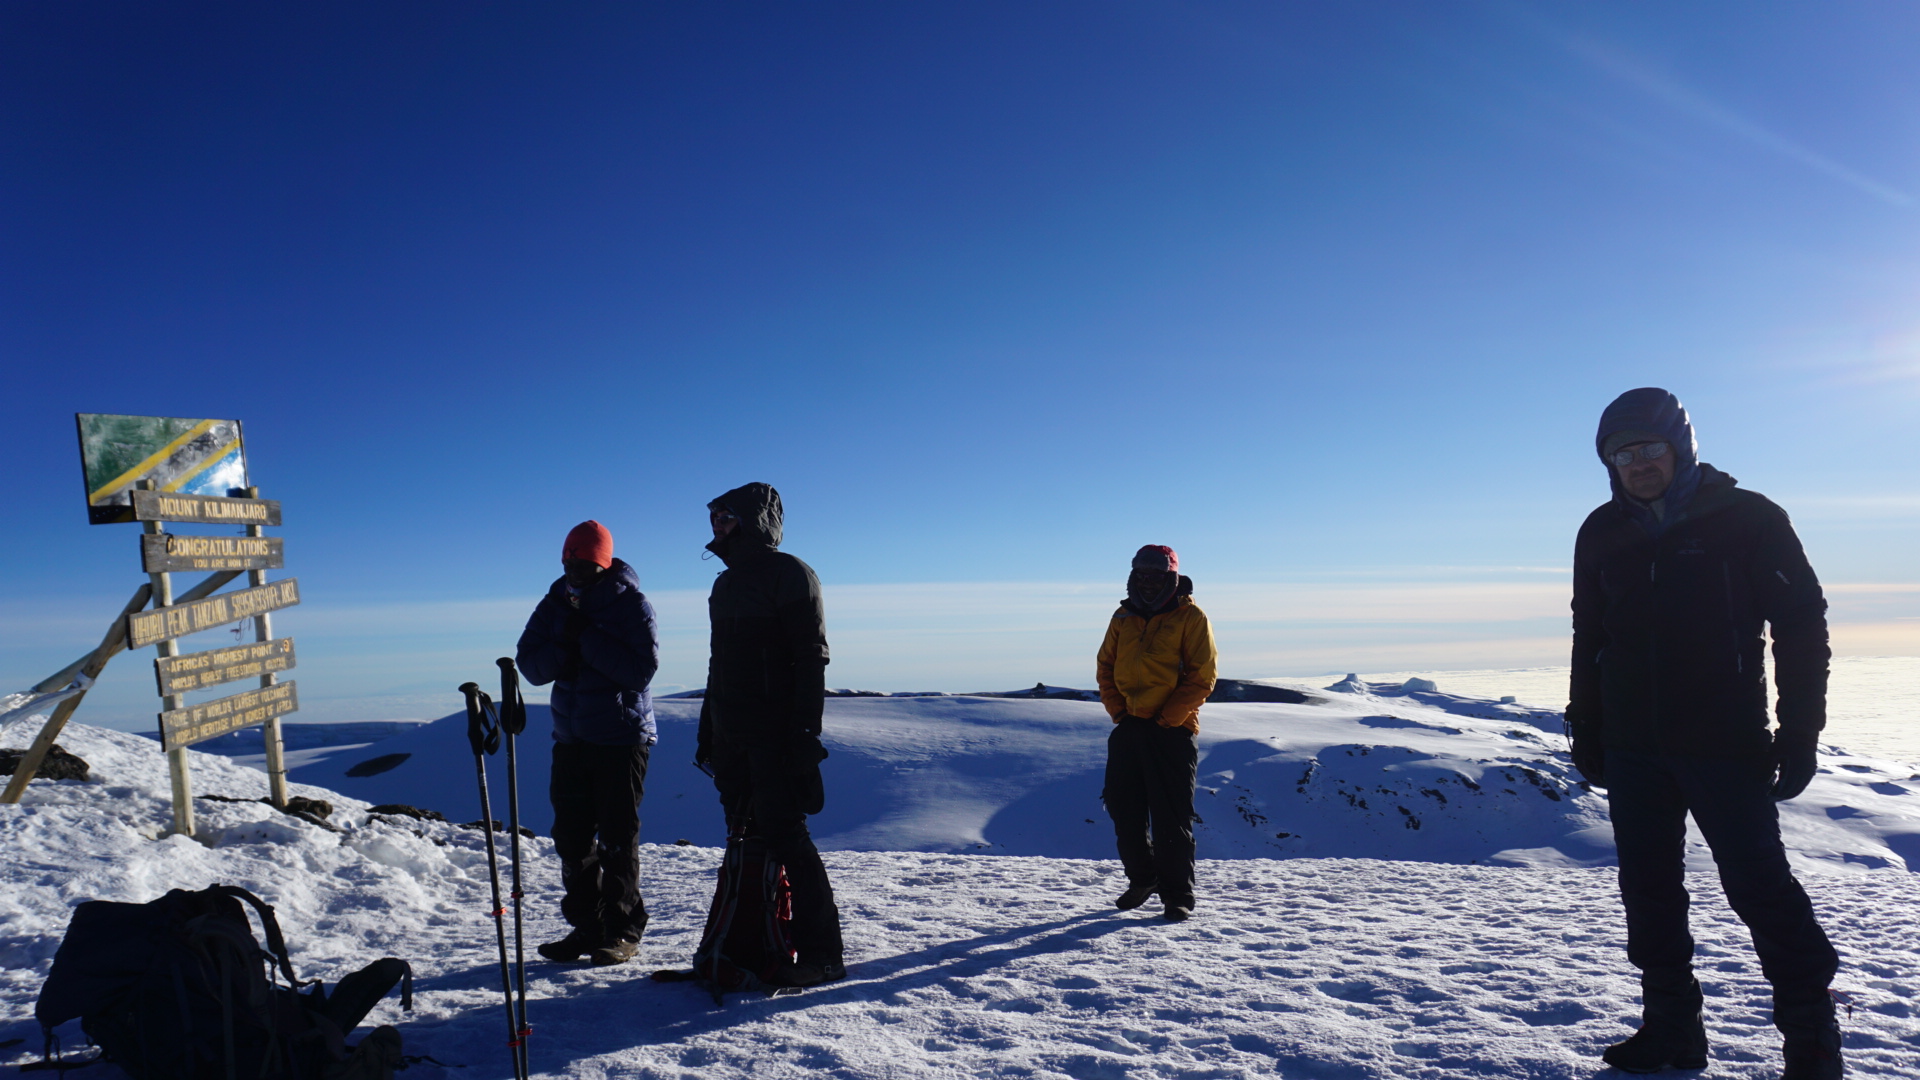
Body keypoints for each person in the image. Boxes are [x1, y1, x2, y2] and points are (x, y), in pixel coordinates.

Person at [1569, 389, 1841, 1079]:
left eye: (1649, 448)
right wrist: (1587, 725)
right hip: (1634, 747)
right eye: (1621, 454)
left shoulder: (1748, 519)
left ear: (1681, 446)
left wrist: (1801, 728)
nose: (1636, 464)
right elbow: (1589, 635)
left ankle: (1812, 1043)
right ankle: (1672, 1032)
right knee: (1649, 891)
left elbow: (1801, 627)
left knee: (1761, 889)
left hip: (1725, 741)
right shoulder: (1600, 531)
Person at [697, 482, 845, 985]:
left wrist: (805, 732)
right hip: (732, 733)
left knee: (787, 838)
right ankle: (753, 944)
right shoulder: (725, 583)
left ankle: (823, 956)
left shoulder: (791, 574)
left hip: (775, 731)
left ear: (753, 519)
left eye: (726, 516)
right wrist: (708, 728)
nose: (717, 526)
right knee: (745, 837)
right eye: (714, 517)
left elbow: (811, 658)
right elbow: (719, 665)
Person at [515, 520, 660, 967]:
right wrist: (567, 646)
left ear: (601, 562)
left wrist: (586, 639)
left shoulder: (631, 604)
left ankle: (622, 931)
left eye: (580, 561)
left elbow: (640, 671)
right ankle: (587, 926)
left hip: (620, 738)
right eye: (567, 560)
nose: (572, 569)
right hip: (572, 738)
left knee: (617, 838)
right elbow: (530, 664)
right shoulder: (555, 601)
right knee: (572, 839)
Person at [1096, 544, 1217, 922]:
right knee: (1122, 807)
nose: (1147, 581)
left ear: (1171, 577)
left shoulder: (1190, 616)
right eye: (1141, 574)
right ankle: (1143, 878)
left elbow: (1203, 675)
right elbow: (1105, 666)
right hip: (1130, 725)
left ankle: (1177, 895)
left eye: (1156, 575)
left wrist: (1168, 717)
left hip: (1173, 730)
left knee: (1171, 816)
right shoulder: (1123, 616)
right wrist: (1119, 712)